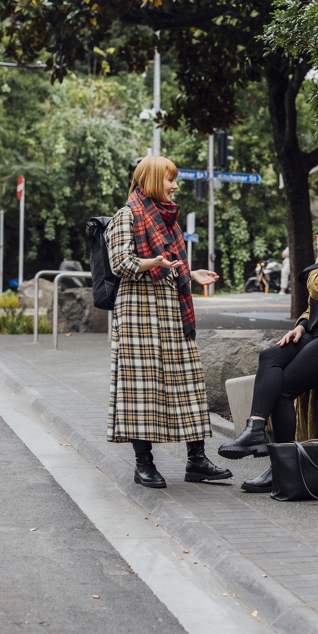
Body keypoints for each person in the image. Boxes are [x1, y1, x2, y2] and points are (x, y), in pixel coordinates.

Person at [218, 204, 318, 492]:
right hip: (317, 335)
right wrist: (301, 325)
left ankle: (279, 466)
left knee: (284, 390)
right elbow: (313, 306)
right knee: (270, 357)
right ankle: (256, 429)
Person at [105, 155, 232, 489]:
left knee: (188, 380)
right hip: (138, 312)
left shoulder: (168, 219)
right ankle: (143, 464)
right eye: (169, 179)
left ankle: (197, 461)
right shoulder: (126, 215)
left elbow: (170, 264)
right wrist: (154, 262)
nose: (175, 185)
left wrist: (190, 273)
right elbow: (120, 263)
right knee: (141, 387)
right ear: (150, 180)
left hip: (171, 307)